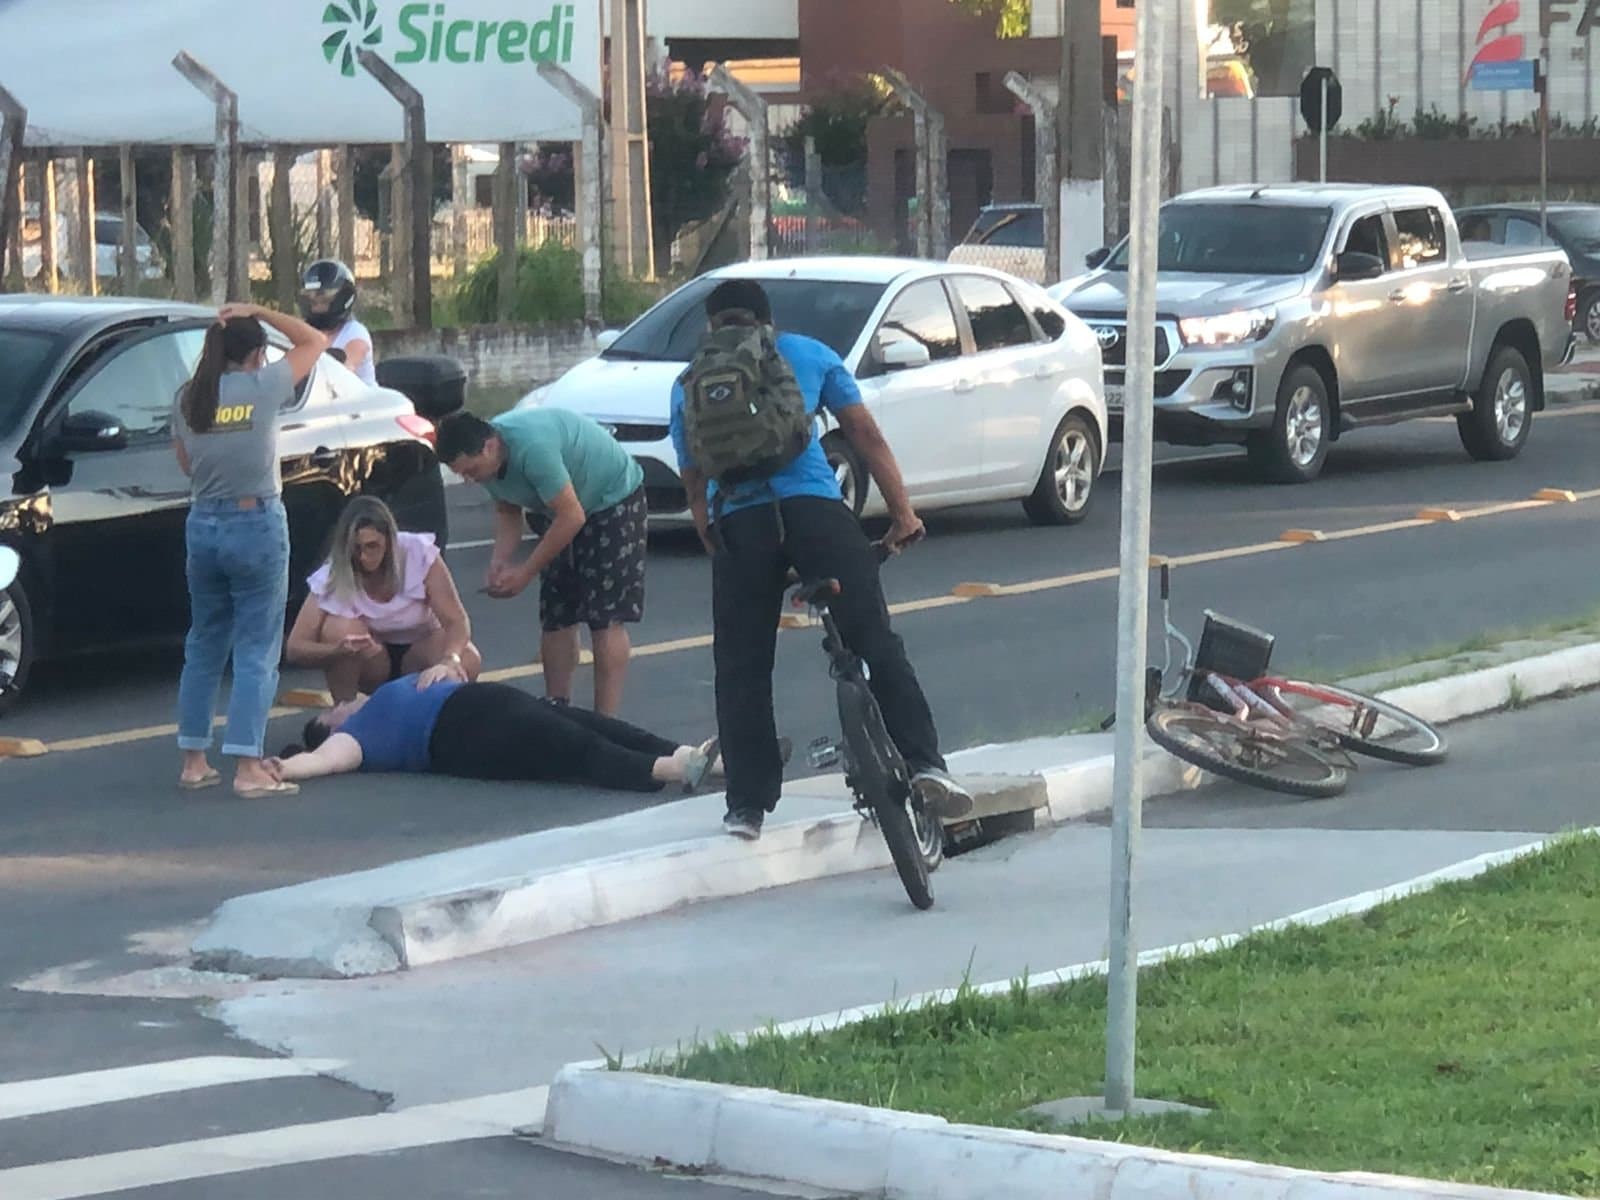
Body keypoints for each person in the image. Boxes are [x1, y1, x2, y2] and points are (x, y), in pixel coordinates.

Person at [671, 279, 973, 841]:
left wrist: (714, 536)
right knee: (873, 639)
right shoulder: (809, 353)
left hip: (741, 522)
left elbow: (693, 478)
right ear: (768, 319)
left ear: (711, 326)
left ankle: (747, 806)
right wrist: (903, 513)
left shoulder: (691, 380)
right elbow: (865, 435)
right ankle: (925, 764)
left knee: (741, 665)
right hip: (816, 515)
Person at [173, 302, 325, 798]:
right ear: (258, 353)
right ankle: (247, 765)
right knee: (257, 646)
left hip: (203, 522)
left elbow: (186, 464)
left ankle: (194, 760)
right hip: (255, 521)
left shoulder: (189, 396)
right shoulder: (264, 385)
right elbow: (314, 340)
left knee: (204, 642)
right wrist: (259, 308)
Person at [435, 409, 647, 717]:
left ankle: (606, 718)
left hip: (611, 500)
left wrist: (525, 572)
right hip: (559, 508)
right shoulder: (487, 466)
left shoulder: (533, 449)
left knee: (605, 617)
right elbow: (507, 509)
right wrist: (500, 560)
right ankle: (556, 706)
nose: (469, 479)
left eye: (471, 470)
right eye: (461, 474)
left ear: (490, 446)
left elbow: (572, 516)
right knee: (557, 612)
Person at [267, 664, 714, 794]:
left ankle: (702, 758)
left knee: (595, 724)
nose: (342, 703)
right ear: (330, 728)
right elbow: (323, 762)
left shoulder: (383, 696)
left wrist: (447, 664)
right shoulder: (355, 736)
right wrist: (283, 769)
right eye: (333, 711)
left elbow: (456, 658)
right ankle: (669, 770)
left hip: (482, 702)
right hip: (462, 731)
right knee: (572, 746)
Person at [285, 496, 482, 701]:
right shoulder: (334, 572)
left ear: (390, 541)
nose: (363, 557)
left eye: (372, 546)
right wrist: (337, 651)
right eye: (356, 548)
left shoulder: (417, 552)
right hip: (372, 660)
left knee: (468, 658)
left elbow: (456, 620)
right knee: (338, 627)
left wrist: (450, 659)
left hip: (421, 650)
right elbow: (295, 648)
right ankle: (345, 708)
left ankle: (433, 709)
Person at [297, 259, 375, 385]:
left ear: (342, 297)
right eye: (313, 301)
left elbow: (344, 369)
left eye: (324, 300)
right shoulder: (303, 333)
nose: (317, 307)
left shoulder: (355, 332)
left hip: (357, 397)